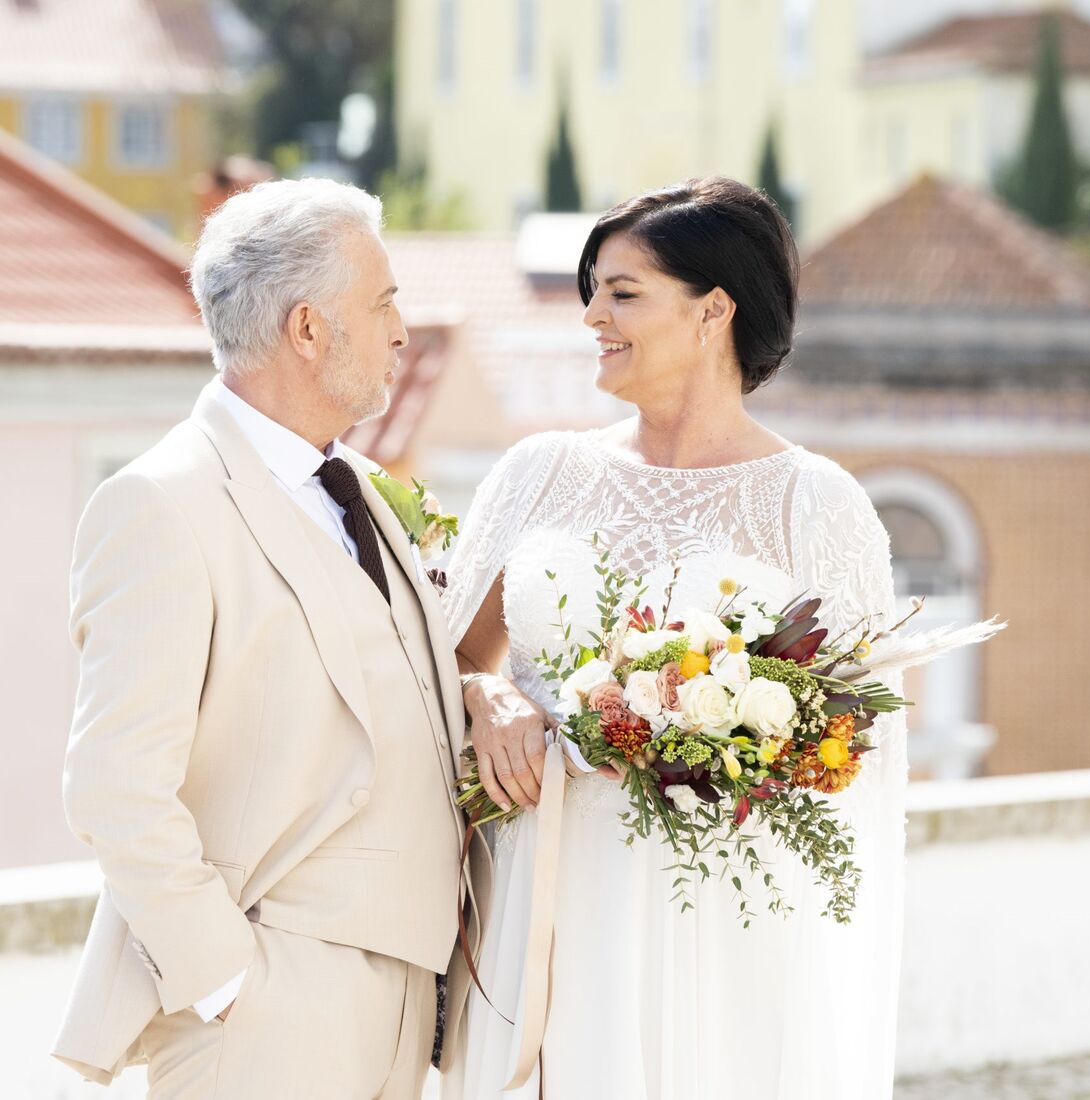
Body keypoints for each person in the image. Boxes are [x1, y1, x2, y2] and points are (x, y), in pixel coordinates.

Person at [446, 177, 906, 1099]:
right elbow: (440, 655)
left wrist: (721, 737)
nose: (590, 317)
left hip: (728, 919)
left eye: (622, 293)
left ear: (713, 311)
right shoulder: (540, 473)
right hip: (550, 897)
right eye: (592, 291)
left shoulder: (816, 505)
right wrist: (483, 693)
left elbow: (859, 746)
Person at [52, 178, 490, 1098]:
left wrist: (485, 696)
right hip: (266, 1012)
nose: (402, 331)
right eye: (382, 304)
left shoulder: (361, 488)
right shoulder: (160, 503)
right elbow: (115, 783)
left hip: (409, 1003)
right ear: (306, 328)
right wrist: (227, 981)